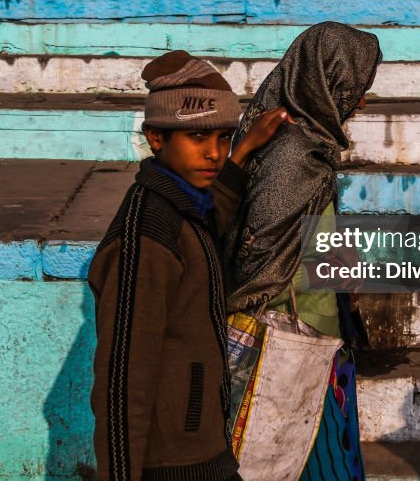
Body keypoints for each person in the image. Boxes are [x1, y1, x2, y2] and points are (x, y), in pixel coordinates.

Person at [88, 50, 291, 481]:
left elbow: (210, 218)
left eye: (222, 137)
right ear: (156, 139)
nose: (214, 154)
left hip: (201, 450)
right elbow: (124, 374)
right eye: (197, 138)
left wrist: (245, 149)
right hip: (170, 464)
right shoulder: (147, 234)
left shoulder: (181, 204)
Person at [224, 21, 383, 480]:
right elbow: (258, 251)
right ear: (327, 80)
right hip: (291, 342)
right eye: (356, 87)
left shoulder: (307, 143)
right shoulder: (291, 152)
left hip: (316, 338)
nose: (362, 101)